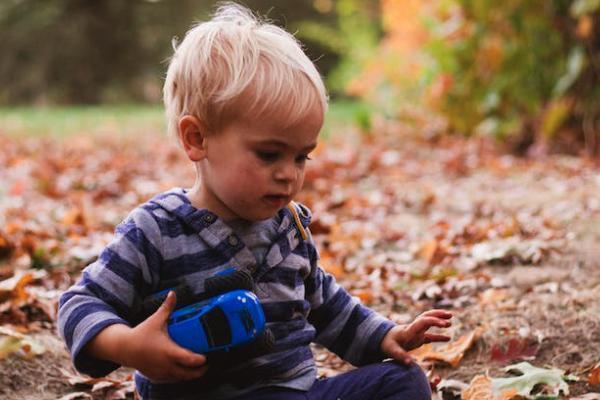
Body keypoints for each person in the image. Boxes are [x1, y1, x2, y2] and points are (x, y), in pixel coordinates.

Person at [57, 3, 453, 399]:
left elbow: (328, 306)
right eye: (269, 154)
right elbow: (80, 303)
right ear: (197, 139)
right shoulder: (156, 231)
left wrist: (386, 337)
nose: (288, 173)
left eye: (302, 156)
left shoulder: (290, 228)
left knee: (404, 380)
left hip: (298, 392)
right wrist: (127, 345)